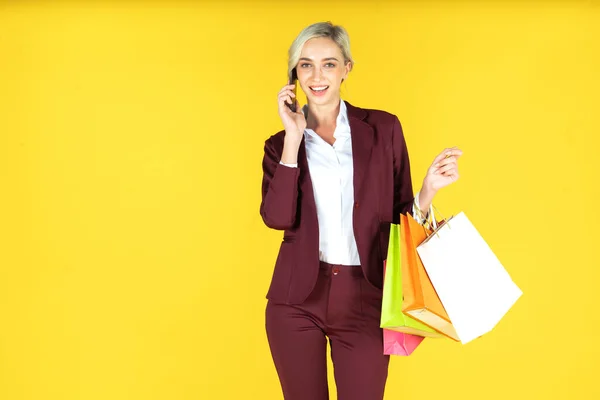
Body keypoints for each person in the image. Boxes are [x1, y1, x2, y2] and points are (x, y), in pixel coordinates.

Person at [260, 21, 462, 400]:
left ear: (346, 68)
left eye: (329, 64)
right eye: (306, 65)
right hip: (295, 300)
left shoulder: (382, 129)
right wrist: (292, 137)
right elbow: (277, 218)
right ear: (294, 74)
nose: (317, 76)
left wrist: (428, 191)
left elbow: (398, 213)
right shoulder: (279, 145)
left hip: (365, 294)